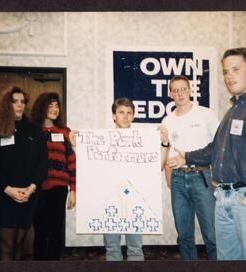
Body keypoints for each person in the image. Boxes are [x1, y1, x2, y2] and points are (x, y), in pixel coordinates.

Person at [166, 47, 246, 260]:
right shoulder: (233, 110)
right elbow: (215, 149)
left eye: (235, 69)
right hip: (223, 199)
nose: (229, 76)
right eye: (226, 71)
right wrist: (187, 158)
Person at [69, 97, 144, 261]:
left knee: (136, 248)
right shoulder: (102, 140)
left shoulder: (143, 140)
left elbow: (153, 167)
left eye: (129, 113)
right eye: (121, 112)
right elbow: (90, 163)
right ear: (113, 116)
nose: (125, 116)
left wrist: (163, 143)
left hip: (135, 200)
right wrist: (76, 146)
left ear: (133, 116)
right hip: (110, 201)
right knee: (112, 249)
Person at [0, 86, 47, 260]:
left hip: (28, 196)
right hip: (4, 197)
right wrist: (8, 190)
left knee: (19, 246)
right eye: (14, 101)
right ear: (6, 105)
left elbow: (42, 163)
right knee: (6, 247)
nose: (19, 105)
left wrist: (31, 188)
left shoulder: (34, 130)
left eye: (22, 101)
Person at [159, 75, 219, 260]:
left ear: (190, 90)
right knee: (184, 236)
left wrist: (216, 174)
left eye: (183, 89)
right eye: (175, 90)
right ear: (170, 94)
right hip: (177, 180)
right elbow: (166, 152)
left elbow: (219, 145)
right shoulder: (167, 121)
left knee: (211, 234)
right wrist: (168, 174)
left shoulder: (205, 114)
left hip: (201, 177)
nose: (180, 93)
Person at [31, 92, 76, 260]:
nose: (55, 109)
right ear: (42, 107)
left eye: (57, 106)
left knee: (56, 233)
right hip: (36, 188)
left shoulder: (65, 132)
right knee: (40, 233)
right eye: (50, 105)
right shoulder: (32, 131)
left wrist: (73, 190)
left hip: (58, 189)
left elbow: (71, 161)